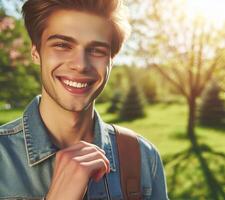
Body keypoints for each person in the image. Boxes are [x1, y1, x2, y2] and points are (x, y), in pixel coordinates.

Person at [0, 0, 168, 199]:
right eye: (62, 45)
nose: (80, 65)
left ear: (111, 61)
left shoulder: (143, 157)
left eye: (97, 50)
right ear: (36, 52)